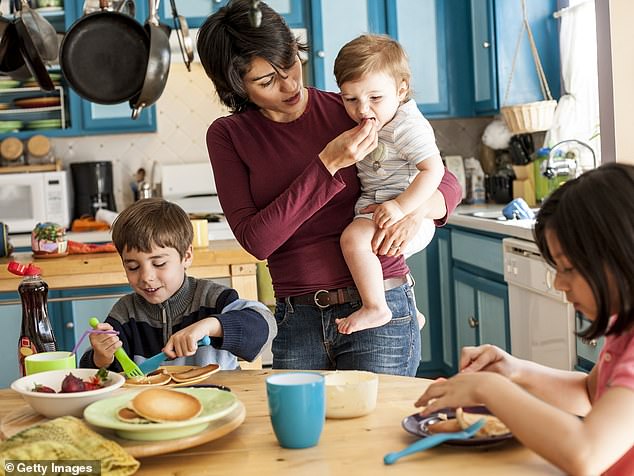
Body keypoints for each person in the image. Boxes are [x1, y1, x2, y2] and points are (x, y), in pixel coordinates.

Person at [197, 0, 462, 376]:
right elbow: (257, 240)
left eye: (289, 62)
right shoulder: (229, 136)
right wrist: (328, 164)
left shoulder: (352, 106)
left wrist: (413, 210)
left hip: (381, 306)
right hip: (298, 318)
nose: (289, 83)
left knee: (380, 433)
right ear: (235, 86)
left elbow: (447, 179)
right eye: (266, 81)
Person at [415, 163, 634, 475]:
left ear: (621, 255)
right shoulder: (623, 325)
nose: (559, 283)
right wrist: (514, 371)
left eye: (568, 268)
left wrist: (489, 389)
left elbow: (585, 454)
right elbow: (589, 393)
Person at [80, 198, 276, 371]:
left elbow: (265, 326)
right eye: (132, 267)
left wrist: (210, 326)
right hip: (150, 407)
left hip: (216, 402)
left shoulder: (212, 298)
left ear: (187, 256)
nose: (146, 277)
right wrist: (101, 358)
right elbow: (94, 373)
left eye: (159, 264)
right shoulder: (125, 313)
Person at [333, 34, 444, 334]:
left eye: (375, 98)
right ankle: (411, 311)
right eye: (350, 99)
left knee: (353, 241)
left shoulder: (406, 126)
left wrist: (401, 207)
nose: (363, 110)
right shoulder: (371, 122)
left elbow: (434, 170)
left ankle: (376, 308)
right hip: (382, 210)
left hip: (407, 214)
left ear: (402, 88)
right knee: (374, 253)